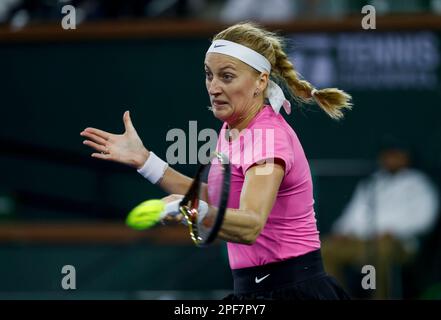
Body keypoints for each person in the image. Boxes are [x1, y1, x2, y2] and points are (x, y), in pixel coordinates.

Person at [80, 22, 352, 300]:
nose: (214, 87)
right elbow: (222, 198)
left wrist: (190, 208)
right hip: (255, 290)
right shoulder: (233, 128)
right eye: (209, 75)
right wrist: (145, 161)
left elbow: (250, 224)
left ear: (261, 80)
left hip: (293, 292)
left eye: (227, 76)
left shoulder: (269, 137)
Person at [322, 137, 440, 299]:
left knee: (380, 251)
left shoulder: (418, 183)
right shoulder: (373, 182)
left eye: (395, 155)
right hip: (361, 240)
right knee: (325, 249)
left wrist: (393, 230)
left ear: (405, 157)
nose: (390, 159)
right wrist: (342, 230)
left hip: (398, 243)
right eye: (387, 155)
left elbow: (425, 219)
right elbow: (353, 213)